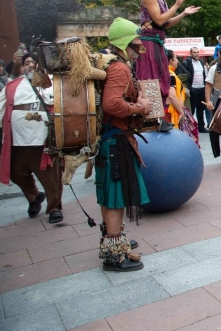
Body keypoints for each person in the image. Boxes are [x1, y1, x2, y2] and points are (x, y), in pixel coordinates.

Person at [95, 18, 154, 272]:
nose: (138, 50)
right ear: (124, 43)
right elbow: (112, 105)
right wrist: (139, 107)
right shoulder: (119, 68)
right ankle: (114, 256)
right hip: (116, 141)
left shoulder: (115, 64)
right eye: (135, 44)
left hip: (112, 140)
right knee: (116, 198)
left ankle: (114, 244)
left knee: (111, 197)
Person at [0, 53, 63, 224]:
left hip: (44, 143)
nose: (31, 66)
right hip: (17, 143)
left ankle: (54, 208)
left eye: (34, 62)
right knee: (16, 174)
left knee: (51, 178)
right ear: (22, 67)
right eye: (27, 63)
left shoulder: (52, 83)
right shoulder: (12, 86)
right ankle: (34, 197)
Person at [135, 0, 201, 126]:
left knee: (161, 79)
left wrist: (183, 13)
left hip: (157, 43)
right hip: (149, 44)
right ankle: (152, 118)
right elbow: (158, 19)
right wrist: (177, 6)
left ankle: (160, 117)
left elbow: (165, 23)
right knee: (150, 79)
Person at [181, 47, 209, 132]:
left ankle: (201, 127)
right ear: (190, 53)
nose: (196, 54)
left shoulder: (201, 62)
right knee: (191, 110)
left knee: (201, 109)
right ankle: (189, 127)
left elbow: (204, 74)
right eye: (194, 52)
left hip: (201, 88)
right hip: (193, 89)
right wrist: (189, 87)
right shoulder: (186, 63)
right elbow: (185, 76)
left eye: (197, 52)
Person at [166, 50, 185, 127]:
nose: (177, 60)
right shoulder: (170, 75)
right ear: (171, 61)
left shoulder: (163, 72)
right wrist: (181, 111)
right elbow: (172, 96)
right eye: (176, 58)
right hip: (170, 110)